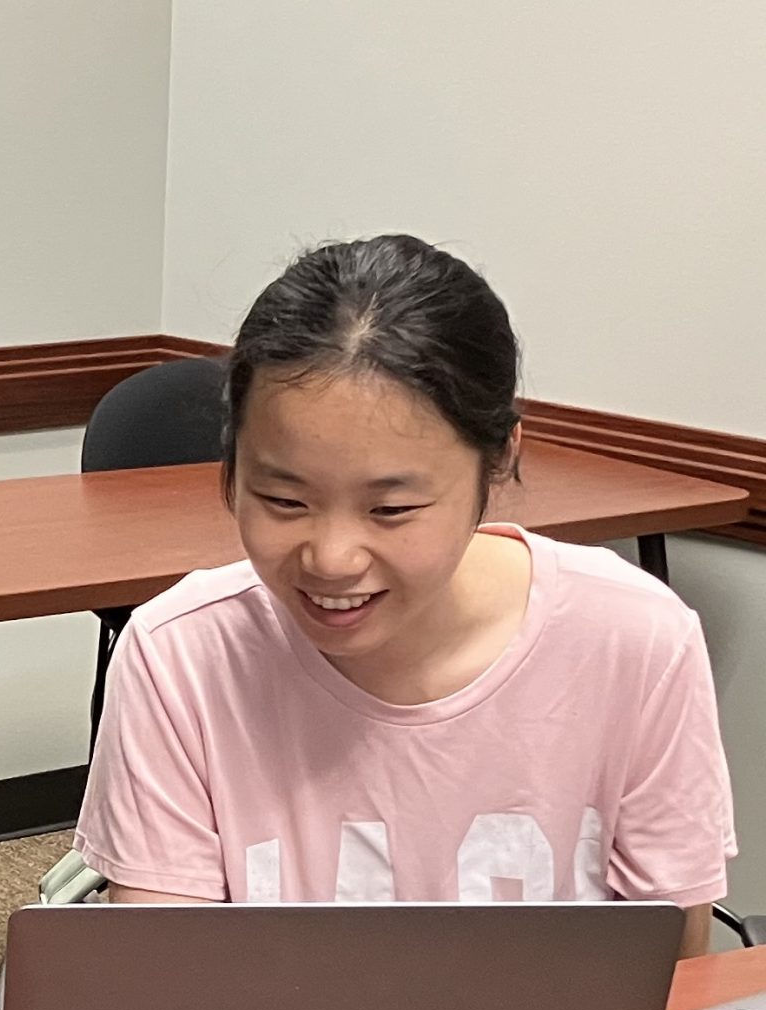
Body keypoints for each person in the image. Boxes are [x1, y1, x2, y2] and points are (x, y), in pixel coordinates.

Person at [75, 234, 734, 954]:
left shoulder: (635, 639)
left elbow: (666, 977)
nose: (330, 559)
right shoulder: (181, 655)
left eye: (391, 511)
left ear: (501, 458)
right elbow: (166, 990)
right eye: (281, 499)